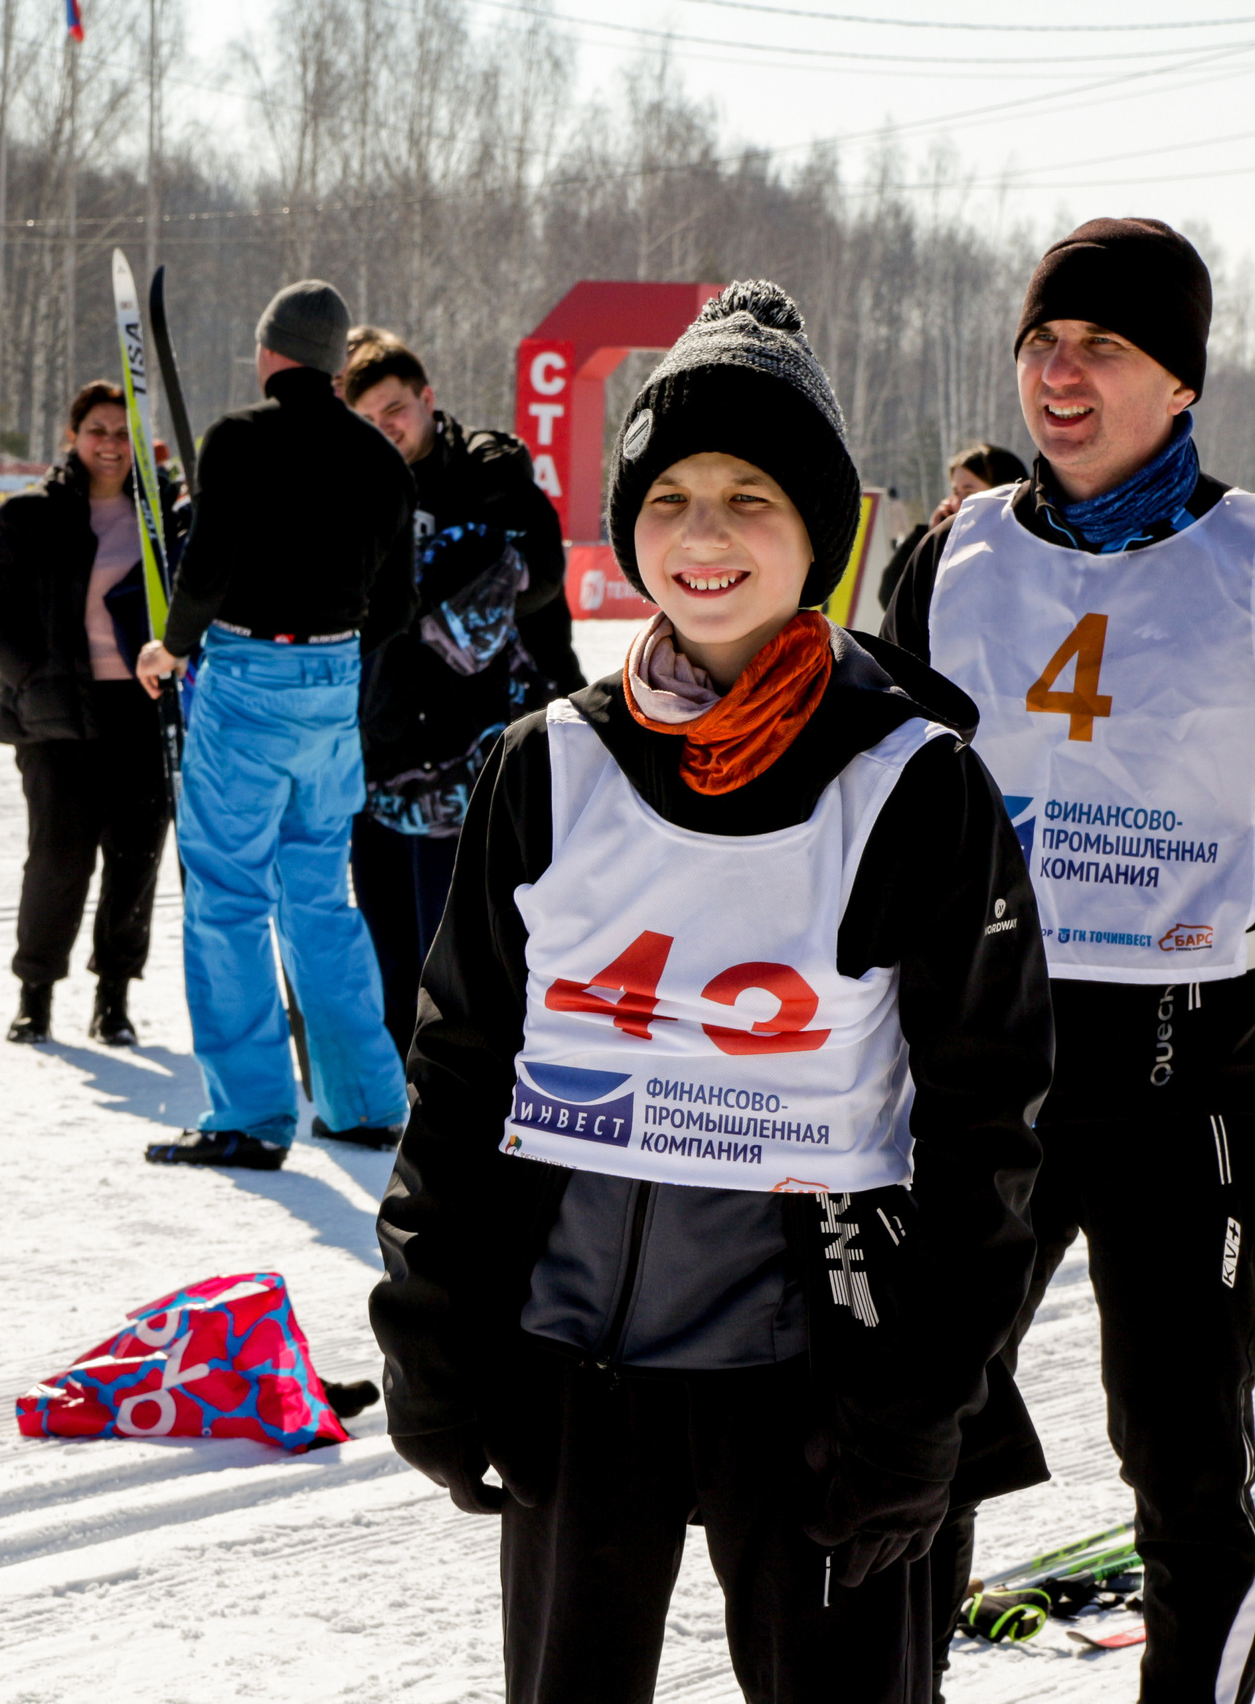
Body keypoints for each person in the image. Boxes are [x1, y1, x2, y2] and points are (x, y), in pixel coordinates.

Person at [371, 280, 1052, 1704]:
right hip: (571, 1361)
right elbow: (461, 1065)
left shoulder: (914, 781)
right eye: (671, 498)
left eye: (750, 498)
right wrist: (431, 1329)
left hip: (815, 1382)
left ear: (817, 531)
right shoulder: (548, 765)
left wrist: (922, 1405)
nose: (704, 536)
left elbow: (987, 1125)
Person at [883, 218, 1255, 1700]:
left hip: (1184, 1088)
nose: (1059, 374)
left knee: (1185, 1467)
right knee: (916, 1439)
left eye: (1102, 347)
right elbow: (870, 827)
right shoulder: (949, 560)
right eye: (1042, 342)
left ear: (1180, 381)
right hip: (982, 1079)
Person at [130, 279, 418, 1169]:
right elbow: (397, 604)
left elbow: (208, 566)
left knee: (227, 896)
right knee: (321, 897)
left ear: (268, 351)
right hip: (333, 684)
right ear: (334, 363)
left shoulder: (239, 439)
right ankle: (365, 1100)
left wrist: (171, 647)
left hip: (247, 678)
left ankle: (252, 1112)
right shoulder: (380, 458)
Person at [343, 325, 573, 1057]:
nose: (385, 428)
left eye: (395, 410)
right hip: (380, 748)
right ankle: (397, 1088)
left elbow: (539, 580)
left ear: (427, 399)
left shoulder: (488, 473)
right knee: (388, 948)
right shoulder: (355, 490)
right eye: (368, 419)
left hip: (474, 753)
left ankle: (462, 1087)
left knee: (455, 954)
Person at [0, 381, 174, 1050]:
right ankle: (36, 993)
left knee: (135, 860)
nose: (110, 445)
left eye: (122, 433)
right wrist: (35, 674)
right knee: (58, 860)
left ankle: (114, 996)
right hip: (55, 714)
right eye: (97, 431)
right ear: (72, 436)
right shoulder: (30, 515)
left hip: (145, 712)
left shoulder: (166, 514)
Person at [876, 442, 1030, 612]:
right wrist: (930, 536)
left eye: (969, 492)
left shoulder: (1026, 551)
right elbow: (893, 599)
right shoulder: (951, 547)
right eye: (956, 492)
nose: (955, 503)